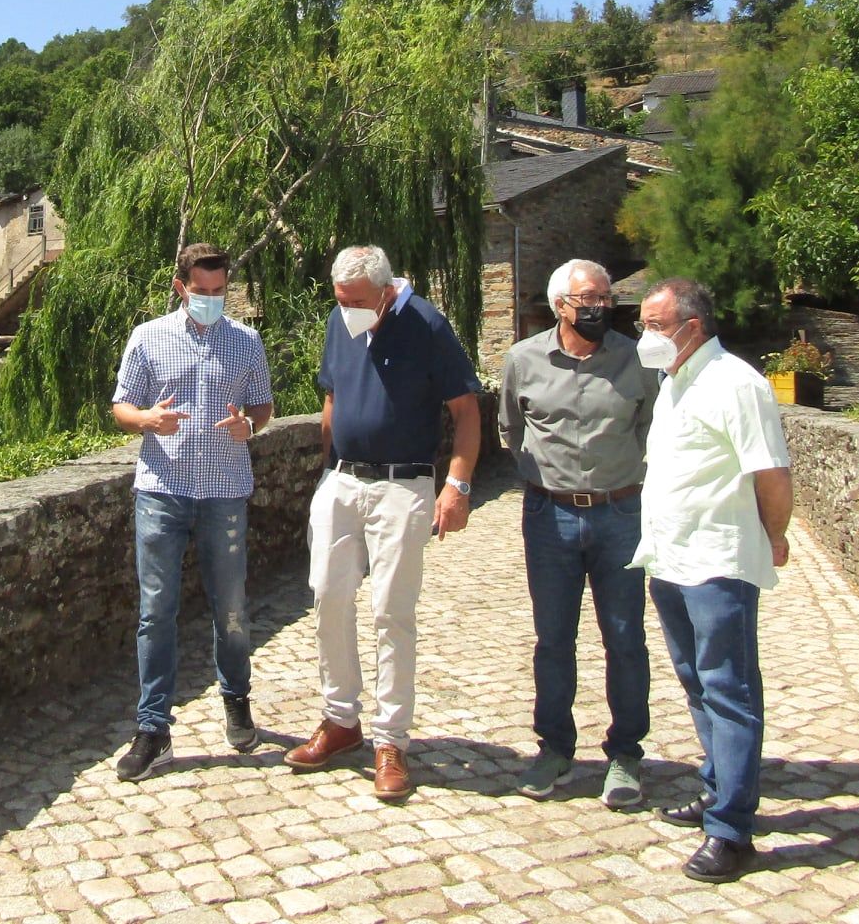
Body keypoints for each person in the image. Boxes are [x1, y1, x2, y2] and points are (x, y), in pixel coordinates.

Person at [285, 244, 480, 802]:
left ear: (387, 290)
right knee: (327, 596)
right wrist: (325, 473)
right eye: (340, 299)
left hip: (403, 484)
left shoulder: (426, 324)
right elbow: (333, 396)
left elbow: (465, 410)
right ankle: (340, 720)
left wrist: (457, 485)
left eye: (358, 301)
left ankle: (390, 740)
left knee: (391, 611)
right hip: (343, 480)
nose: (346, 309)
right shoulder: (340, 318)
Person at [630, 277, 793, 883]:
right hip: (670, 560)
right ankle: (718, 787)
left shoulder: (737, 384)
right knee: (698, 682)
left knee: (730, 689)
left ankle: (732, 830)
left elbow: (771, 473)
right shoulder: (675, 383)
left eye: (653, 324)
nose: (643, 335)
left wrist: (774, 537)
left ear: (691, 327)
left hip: (719, 562)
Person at [110, 242, 274, 781]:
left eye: (220, 291)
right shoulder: (147, 337)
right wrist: (146, 420)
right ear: (181, 287)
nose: (212, 299)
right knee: (156, 612)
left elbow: (263, 403)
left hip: (225, 491)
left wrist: (248, 425)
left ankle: (236, 699)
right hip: (162, 490)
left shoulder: (246, 342)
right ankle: (153, 728)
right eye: (202, 292)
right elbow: (121, 407)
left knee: (230, 608)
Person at [500, 259, 655, 808]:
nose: (599, 307)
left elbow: (649, 429)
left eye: (605, 298)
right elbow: (511, 431)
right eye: (587, 298)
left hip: (621, 515)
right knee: (553, 640)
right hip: (550, 518)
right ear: (560, 303)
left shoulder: (637, 360)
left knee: (626, 640)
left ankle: (627, 754)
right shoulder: (523, 360)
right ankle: (556, 748)